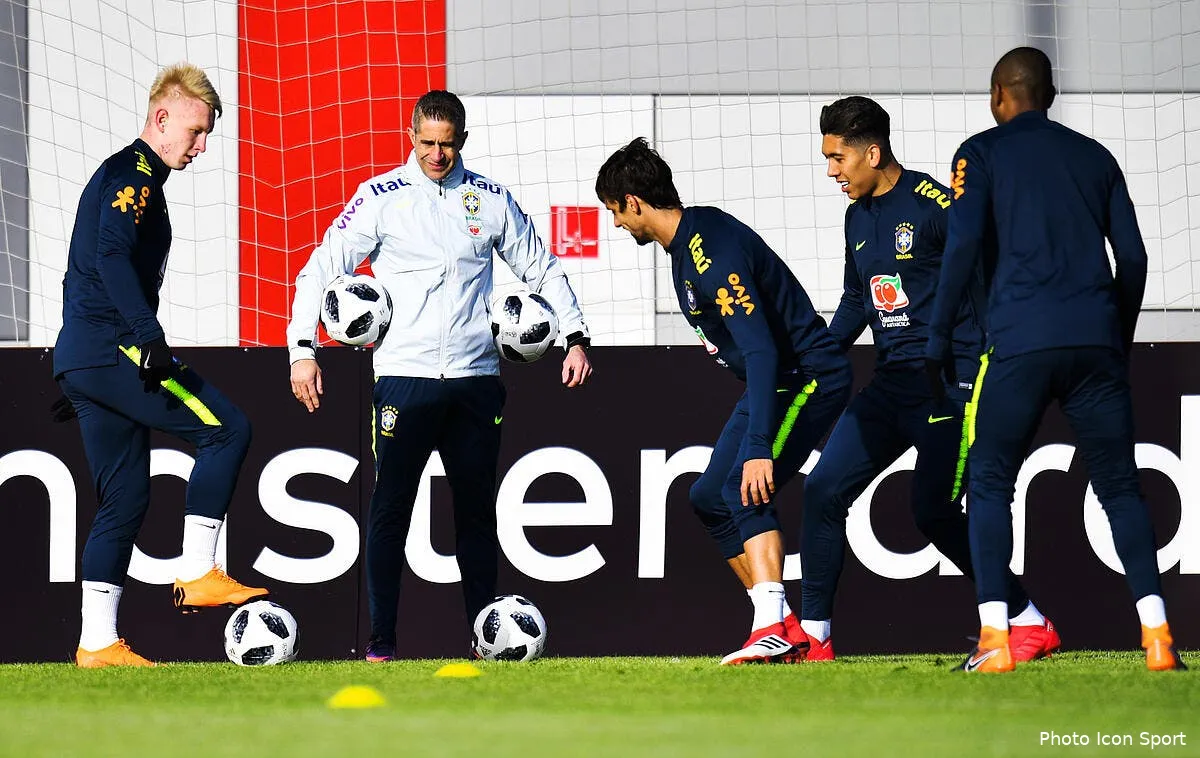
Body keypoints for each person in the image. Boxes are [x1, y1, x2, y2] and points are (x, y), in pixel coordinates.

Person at [287, 90, 593, 662]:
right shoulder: (379, 198)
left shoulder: (490, 198)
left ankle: (485, 641)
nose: (436, 155)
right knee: (390, 510)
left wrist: (575, 335)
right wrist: (302, 349)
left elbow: (541, 265)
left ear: (463, 141)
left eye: (447, 145)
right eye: (426, 143)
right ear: (411, 137)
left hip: (476, 381)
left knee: (476, 513)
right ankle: (381, 643)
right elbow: (321, 267)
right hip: (404, 379)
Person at [926, 47, 1185, 672]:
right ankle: (1157, 637)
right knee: (1122, 488)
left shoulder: (979, 152)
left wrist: (938, 334)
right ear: (1051, 93)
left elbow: (961, 243)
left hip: (1018, 341)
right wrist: (1113, 339)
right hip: (1094, 343)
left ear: (998, 97)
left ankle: (995, 641)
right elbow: (1138, 259)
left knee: (988, 480)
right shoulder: (1097, 157)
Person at [796, 97, 1059, 662]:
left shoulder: (937, 205)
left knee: (932, 510)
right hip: (891, 383)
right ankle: (813, 638)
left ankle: (1028, 621)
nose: (831, 171)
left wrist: (994, 367)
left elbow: (989, 285)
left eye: (838, 158)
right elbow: (854, 299)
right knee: (822, 488)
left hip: (951, 384)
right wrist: (819, 349)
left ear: (873, 151)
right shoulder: (856, 216)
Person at [596, 138, 852, 665]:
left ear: (633, 202)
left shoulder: (707, 250)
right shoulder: (686, 245)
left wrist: (759, 443)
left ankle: (774, 626)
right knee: (709, 496)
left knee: (744, 487)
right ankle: (778, 623)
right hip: (776, 379)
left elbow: (760, 348)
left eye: (615, 213)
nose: (618, 225)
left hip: (806, 378)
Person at [53, 63, 266, 669]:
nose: (201, 147)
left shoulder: (133, 177)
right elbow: (112, 256)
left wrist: (82, 369)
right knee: (228, 429)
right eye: (197, 132)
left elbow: (85, 269)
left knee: (123, 501)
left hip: (88, 356)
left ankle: (96, 643)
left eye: (207, 137)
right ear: (162, 117)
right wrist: (145, 338)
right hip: (114, 348)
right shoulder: (136, 174)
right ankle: (198, 570)